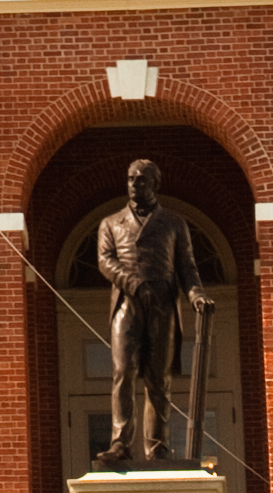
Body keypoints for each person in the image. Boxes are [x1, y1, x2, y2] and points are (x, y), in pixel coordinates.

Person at [89, 161, 213, 469]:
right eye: (130, 179)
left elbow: (187, 266)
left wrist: (196, 294)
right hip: (127, 303)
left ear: (154, 184)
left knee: (159, 379)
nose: (134, 184)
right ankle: (120, 444)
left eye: (141, 180)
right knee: (123, 371)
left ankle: (157, 447)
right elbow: (105, 261)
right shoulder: (111, 222)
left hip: (162, 303)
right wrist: (132, 282)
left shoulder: (173, 223)